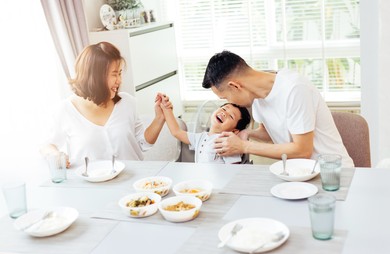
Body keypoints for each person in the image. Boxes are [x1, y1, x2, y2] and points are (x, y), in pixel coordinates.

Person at [202, 50, 354, 167]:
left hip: (332, 173)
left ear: (235, 86)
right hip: (299, 173)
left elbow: (302, 151)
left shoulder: (294, 89)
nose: (229, 103)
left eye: (226, 98)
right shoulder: (254, 94)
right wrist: (247, 133)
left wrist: (244, 146)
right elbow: (270, 132)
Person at [40, 42, 170, 166]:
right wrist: (55, 155)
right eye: (114, 74)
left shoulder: (127, 102)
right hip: (93, 187)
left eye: (120, 73)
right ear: (95, 76)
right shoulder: (66, 110)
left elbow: (143, 143)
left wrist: (159, 118)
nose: (119, 80)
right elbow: (47, 145)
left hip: (133, 181)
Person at [159, 93, 251, 164]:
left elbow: (235, 171)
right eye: (224, 109)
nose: (224, 113)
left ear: (234, 131)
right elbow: (176, 132)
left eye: (231, 116)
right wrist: (167, 109)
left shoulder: (227, 143)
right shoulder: (200, 138)